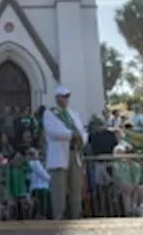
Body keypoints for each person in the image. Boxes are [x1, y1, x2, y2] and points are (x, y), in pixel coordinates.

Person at [42, 85, 87, 220]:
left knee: (76, 186)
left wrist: (82, 140)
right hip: (59, 155)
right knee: (59, 189)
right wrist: (72, 135)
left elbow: (83, 132)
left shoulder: (74, 114)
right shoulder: (50, 114)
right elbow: (53, 132)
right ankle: (59, 216)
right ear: (57, 98)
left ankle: (76, 214)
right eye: (63, 96)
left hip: (75, 153)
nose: (66, 99)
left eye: (67, 96)